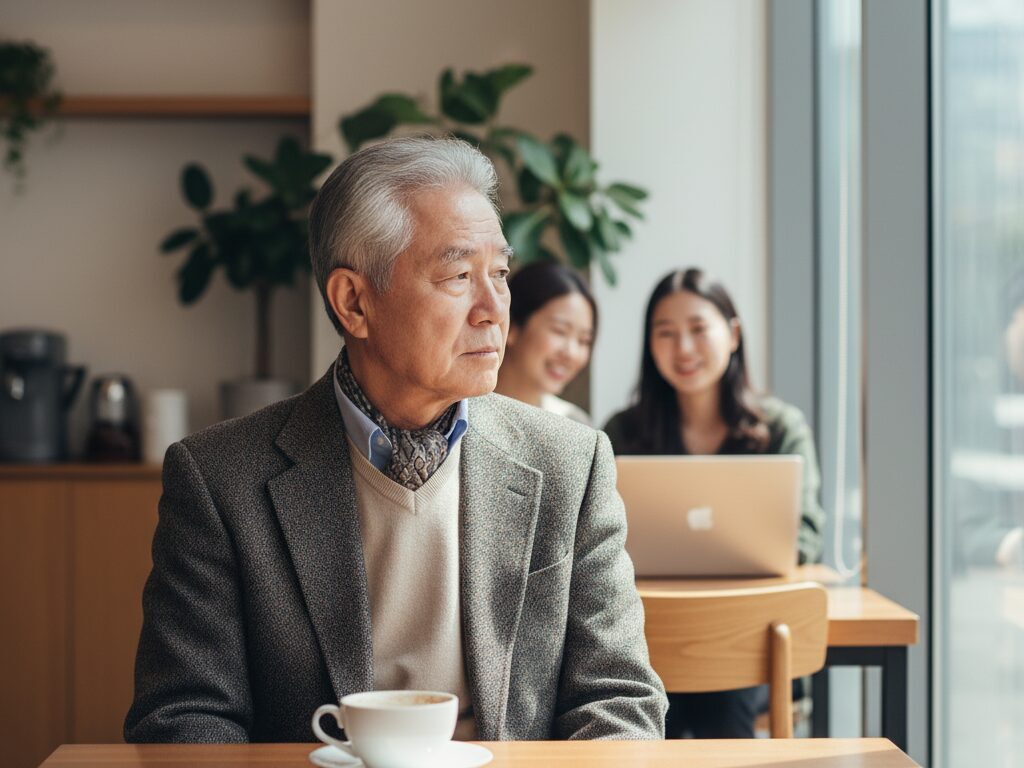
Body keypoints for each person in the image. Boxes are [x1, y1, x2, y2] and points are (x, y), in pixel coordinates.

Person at [125, 137, 666, 744]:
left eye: (501, 274)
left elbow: (619, 700)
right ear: (354, 302)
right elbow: (185, 718)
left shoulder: (569, 463)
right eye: (459, 275)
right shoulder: (220, 478)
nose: (494, 309)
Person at [603, 267, 825, 739]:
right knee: (645, 697)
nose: (683, 349)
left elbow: (804, 536)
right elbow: (594, 538)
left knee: (721, 694)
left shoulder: (782, 429)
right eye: (666, 333)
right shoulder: (622, 433)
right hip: (649, 638)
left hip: (748, 640)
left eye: (699, 329)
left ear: (734, 333)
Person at [495, 262, 596, 424]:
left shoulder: (574, 424)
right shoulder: (458, 414)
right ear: (511, 326)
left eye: (584, 340)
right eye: (560, 331)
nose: (571, 353)